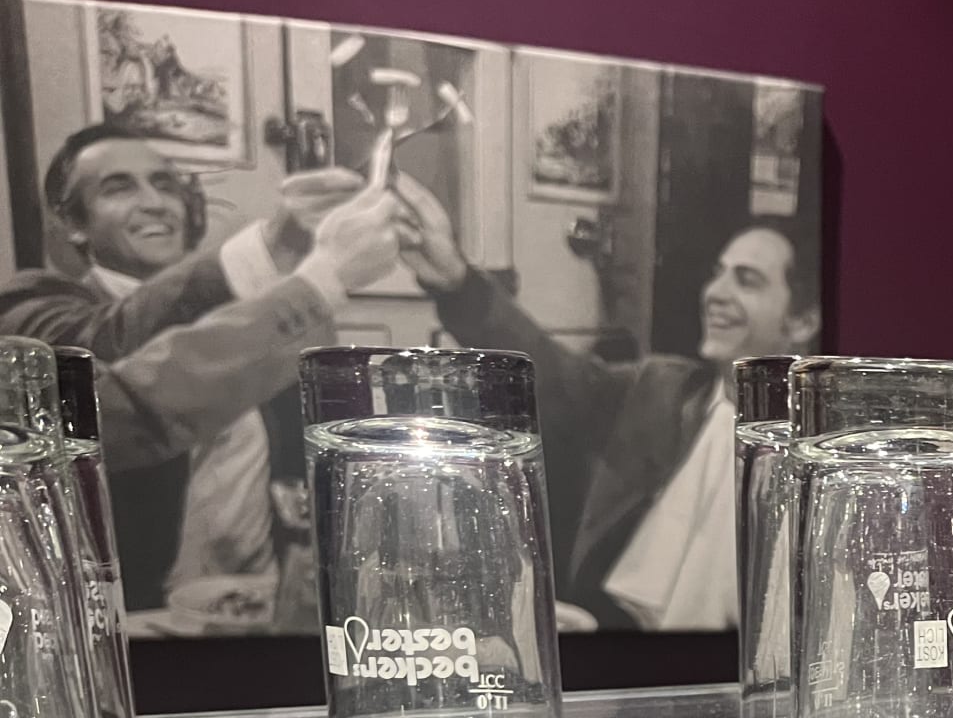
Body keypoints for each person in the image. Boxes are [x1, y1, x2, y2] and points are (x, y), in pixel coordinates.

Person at [0, 123, 403, 610]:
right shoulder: (32, 304)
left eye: (165, 183)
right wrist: (284, 259)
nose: (155, 202)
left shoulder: (264, 315)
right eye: (118, 187)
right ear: (73, 224)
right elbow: (104, 350)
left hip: (263, 609)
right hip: (137, 621)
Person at [392, 178, 822, 628]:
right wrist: (457, 283)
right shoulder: (660, 389)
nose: (715, 292)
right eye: (718, 273)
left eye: (747, 281)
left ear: (802, 321)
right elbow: (546, 369)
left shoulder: (822, 453)